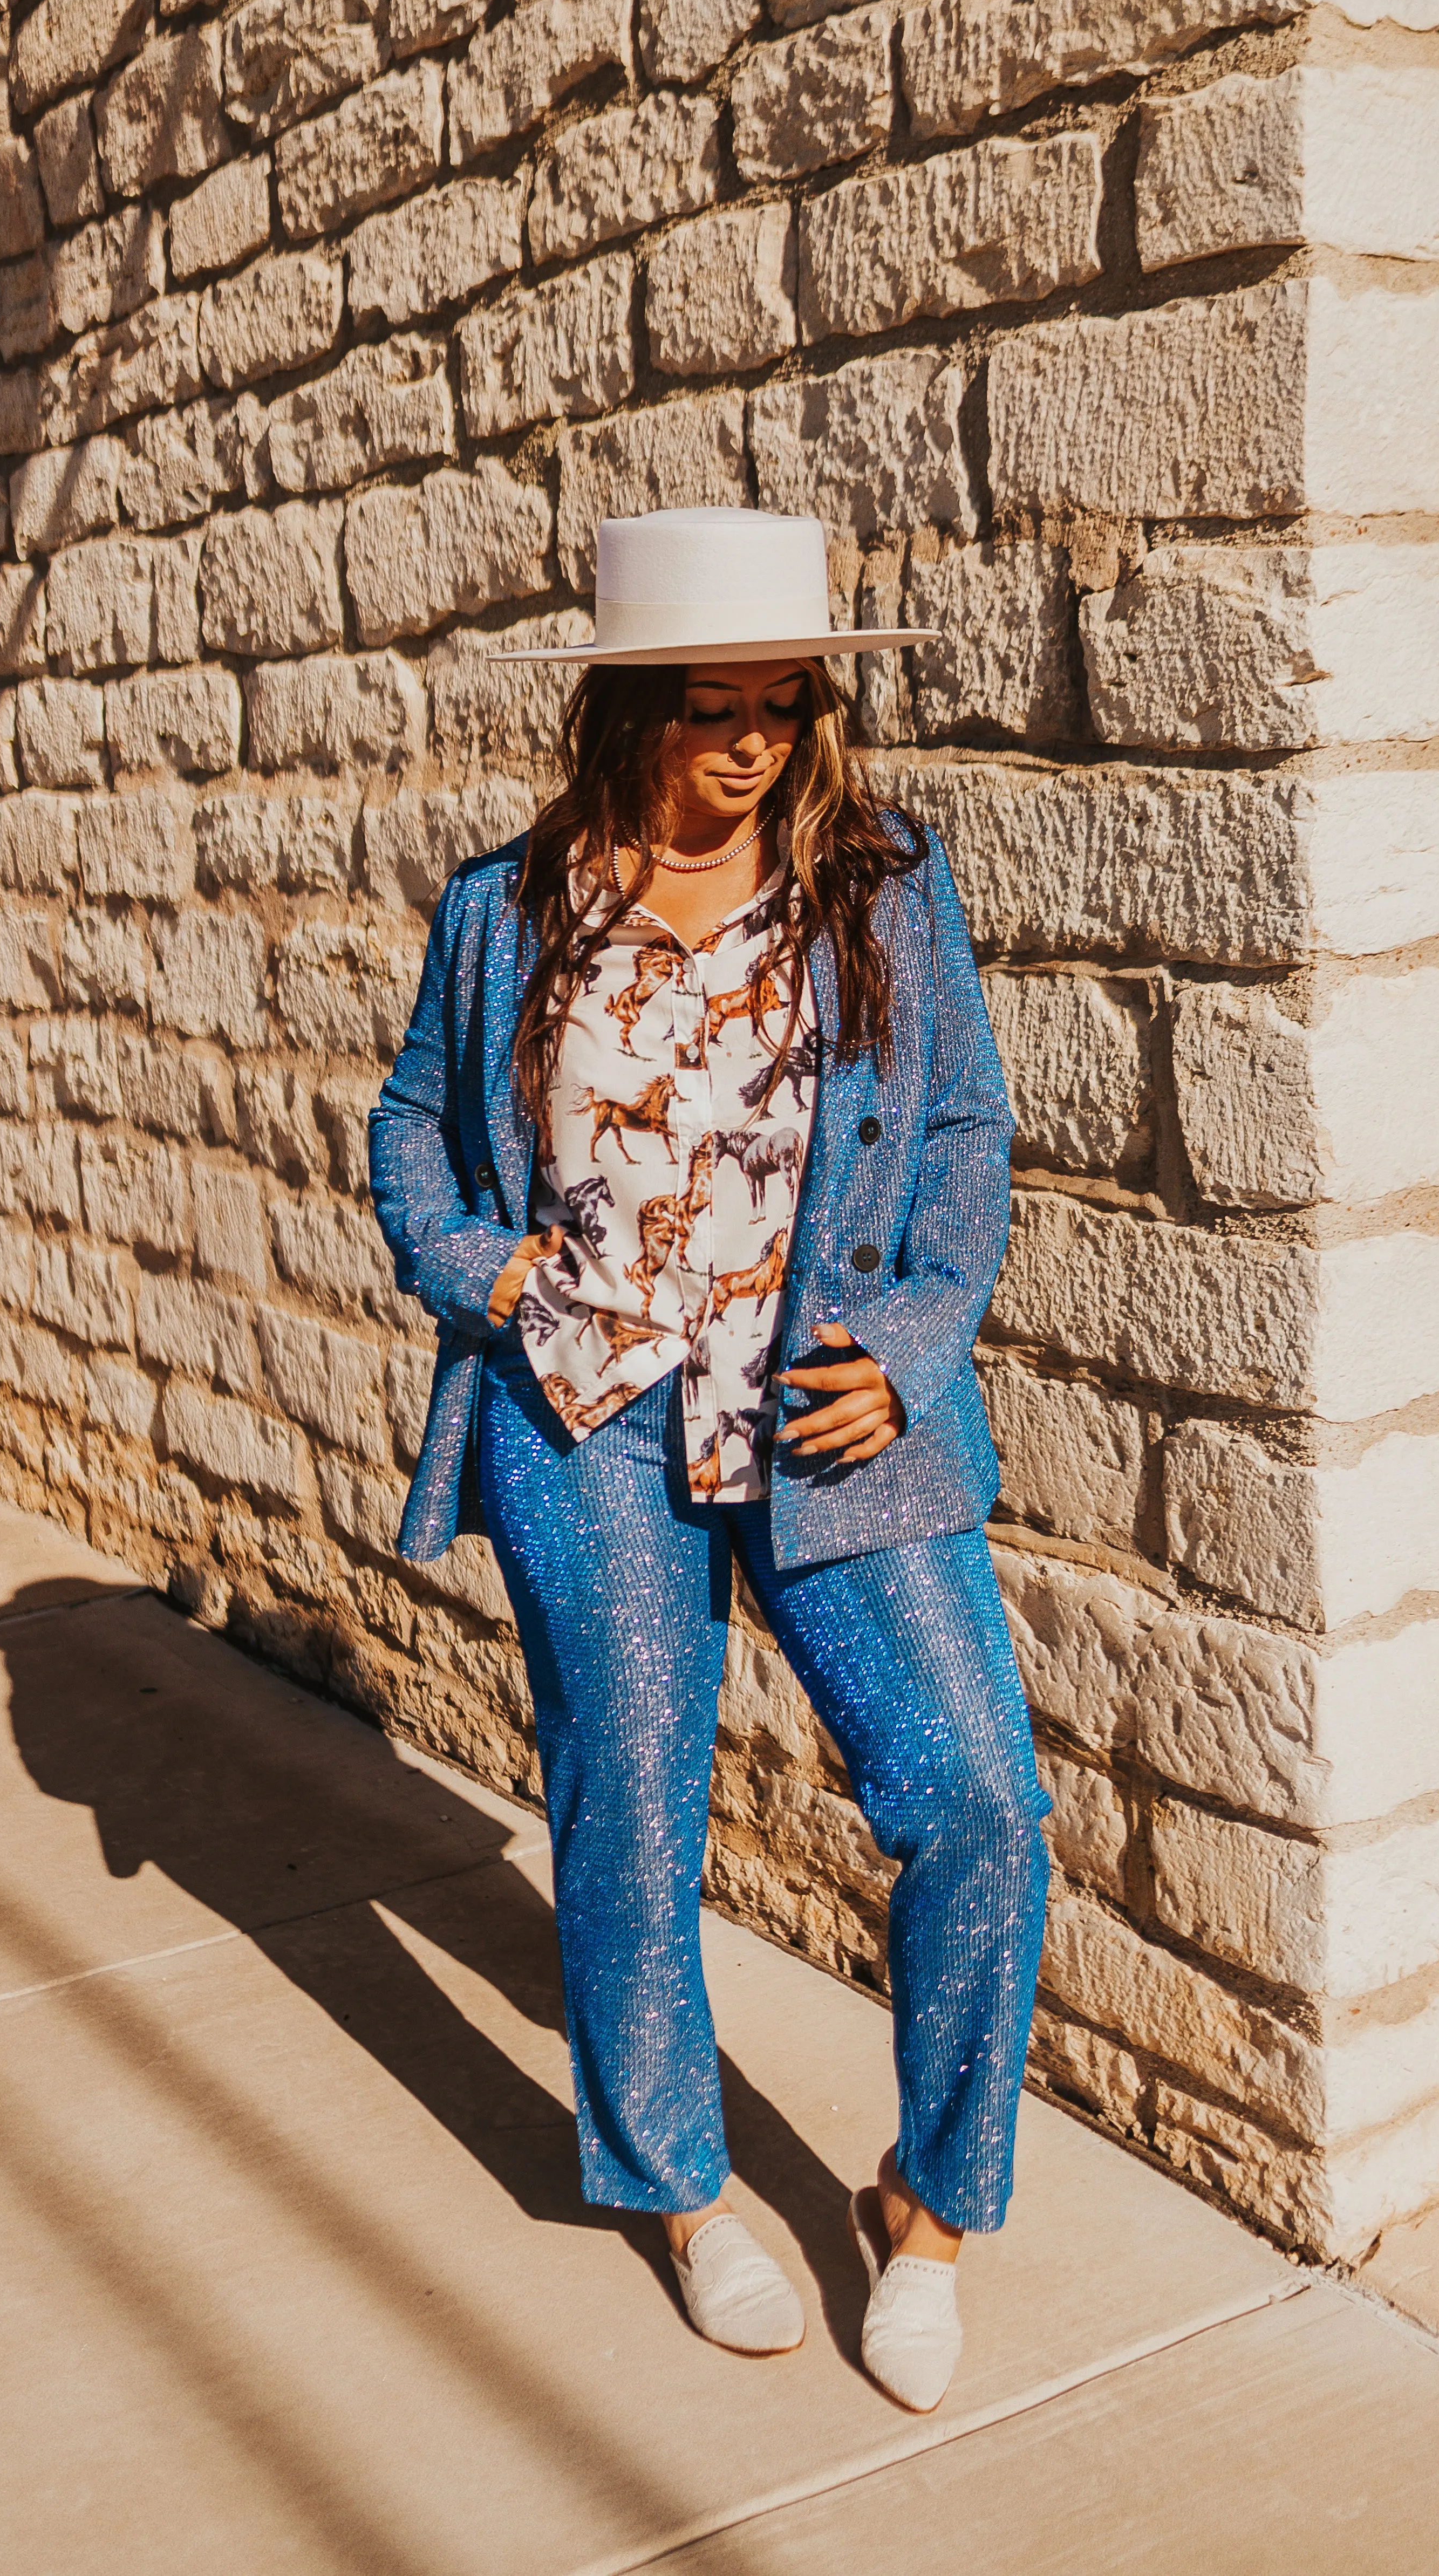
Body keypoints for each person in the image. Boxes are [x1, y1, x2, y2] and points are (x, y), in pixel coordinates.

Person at [369, 507, 1050, 2414]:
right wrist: (467, 1262)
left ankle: (926, 2208)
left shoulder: (881, 890)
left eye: (779, 702)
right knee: (630, 1804)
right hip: (582, 1416)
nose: (749, 741)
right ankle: (680, 2191)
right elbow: (410, 1120)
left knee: (977, 1799)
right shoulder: (503, 914)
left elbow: (973, 1136)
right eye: (705, 705)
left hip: (828, 1420)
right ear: (622, 712)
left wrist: (910, 1346)